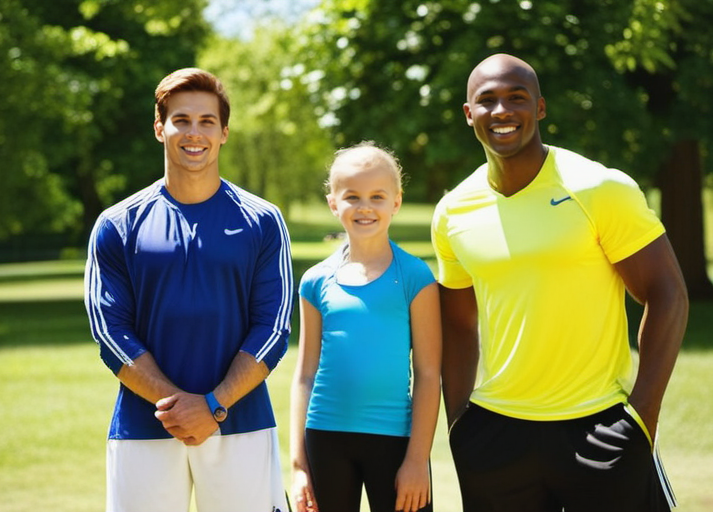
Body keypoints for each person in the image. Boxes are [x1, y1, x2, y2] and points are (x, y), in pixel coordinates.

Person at [431, 53, 689, 512]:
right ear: (469, 114)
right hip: (496, 435)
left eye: (517, 97)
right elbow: (456, 323)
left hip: (600, 427)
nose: (502, 111)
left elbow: (667, 293)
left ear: (541, 108)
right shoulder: (453, 211)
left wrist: (642, 417)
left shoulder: (598, 188)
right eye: (486, 101)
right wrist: (460, 426)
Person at [84, 68, 293, 512]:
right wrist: (175, 406)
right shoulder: (117, 224)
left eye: (206, 122)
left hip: (243, 422)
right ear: (160, 128)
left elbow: (272, 328)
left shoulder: (263, 220)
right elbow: (109, 331)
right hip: (144, 424)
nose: (193, 133)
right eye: (181, 120)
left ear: (224, 134)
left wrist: (214, 405)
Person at [291, 142, 442, 512]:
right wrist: (298, 465)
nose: (365, 207)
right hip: (325, 438)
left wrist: (417, 460)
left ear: (396, 201)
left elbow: (427, 372)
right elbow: (305, 374)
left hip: (394, 440)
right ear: (333, 203)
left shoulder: (415, 276)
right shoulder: (315, 281)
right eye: (352, 196)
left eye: (377, 196)